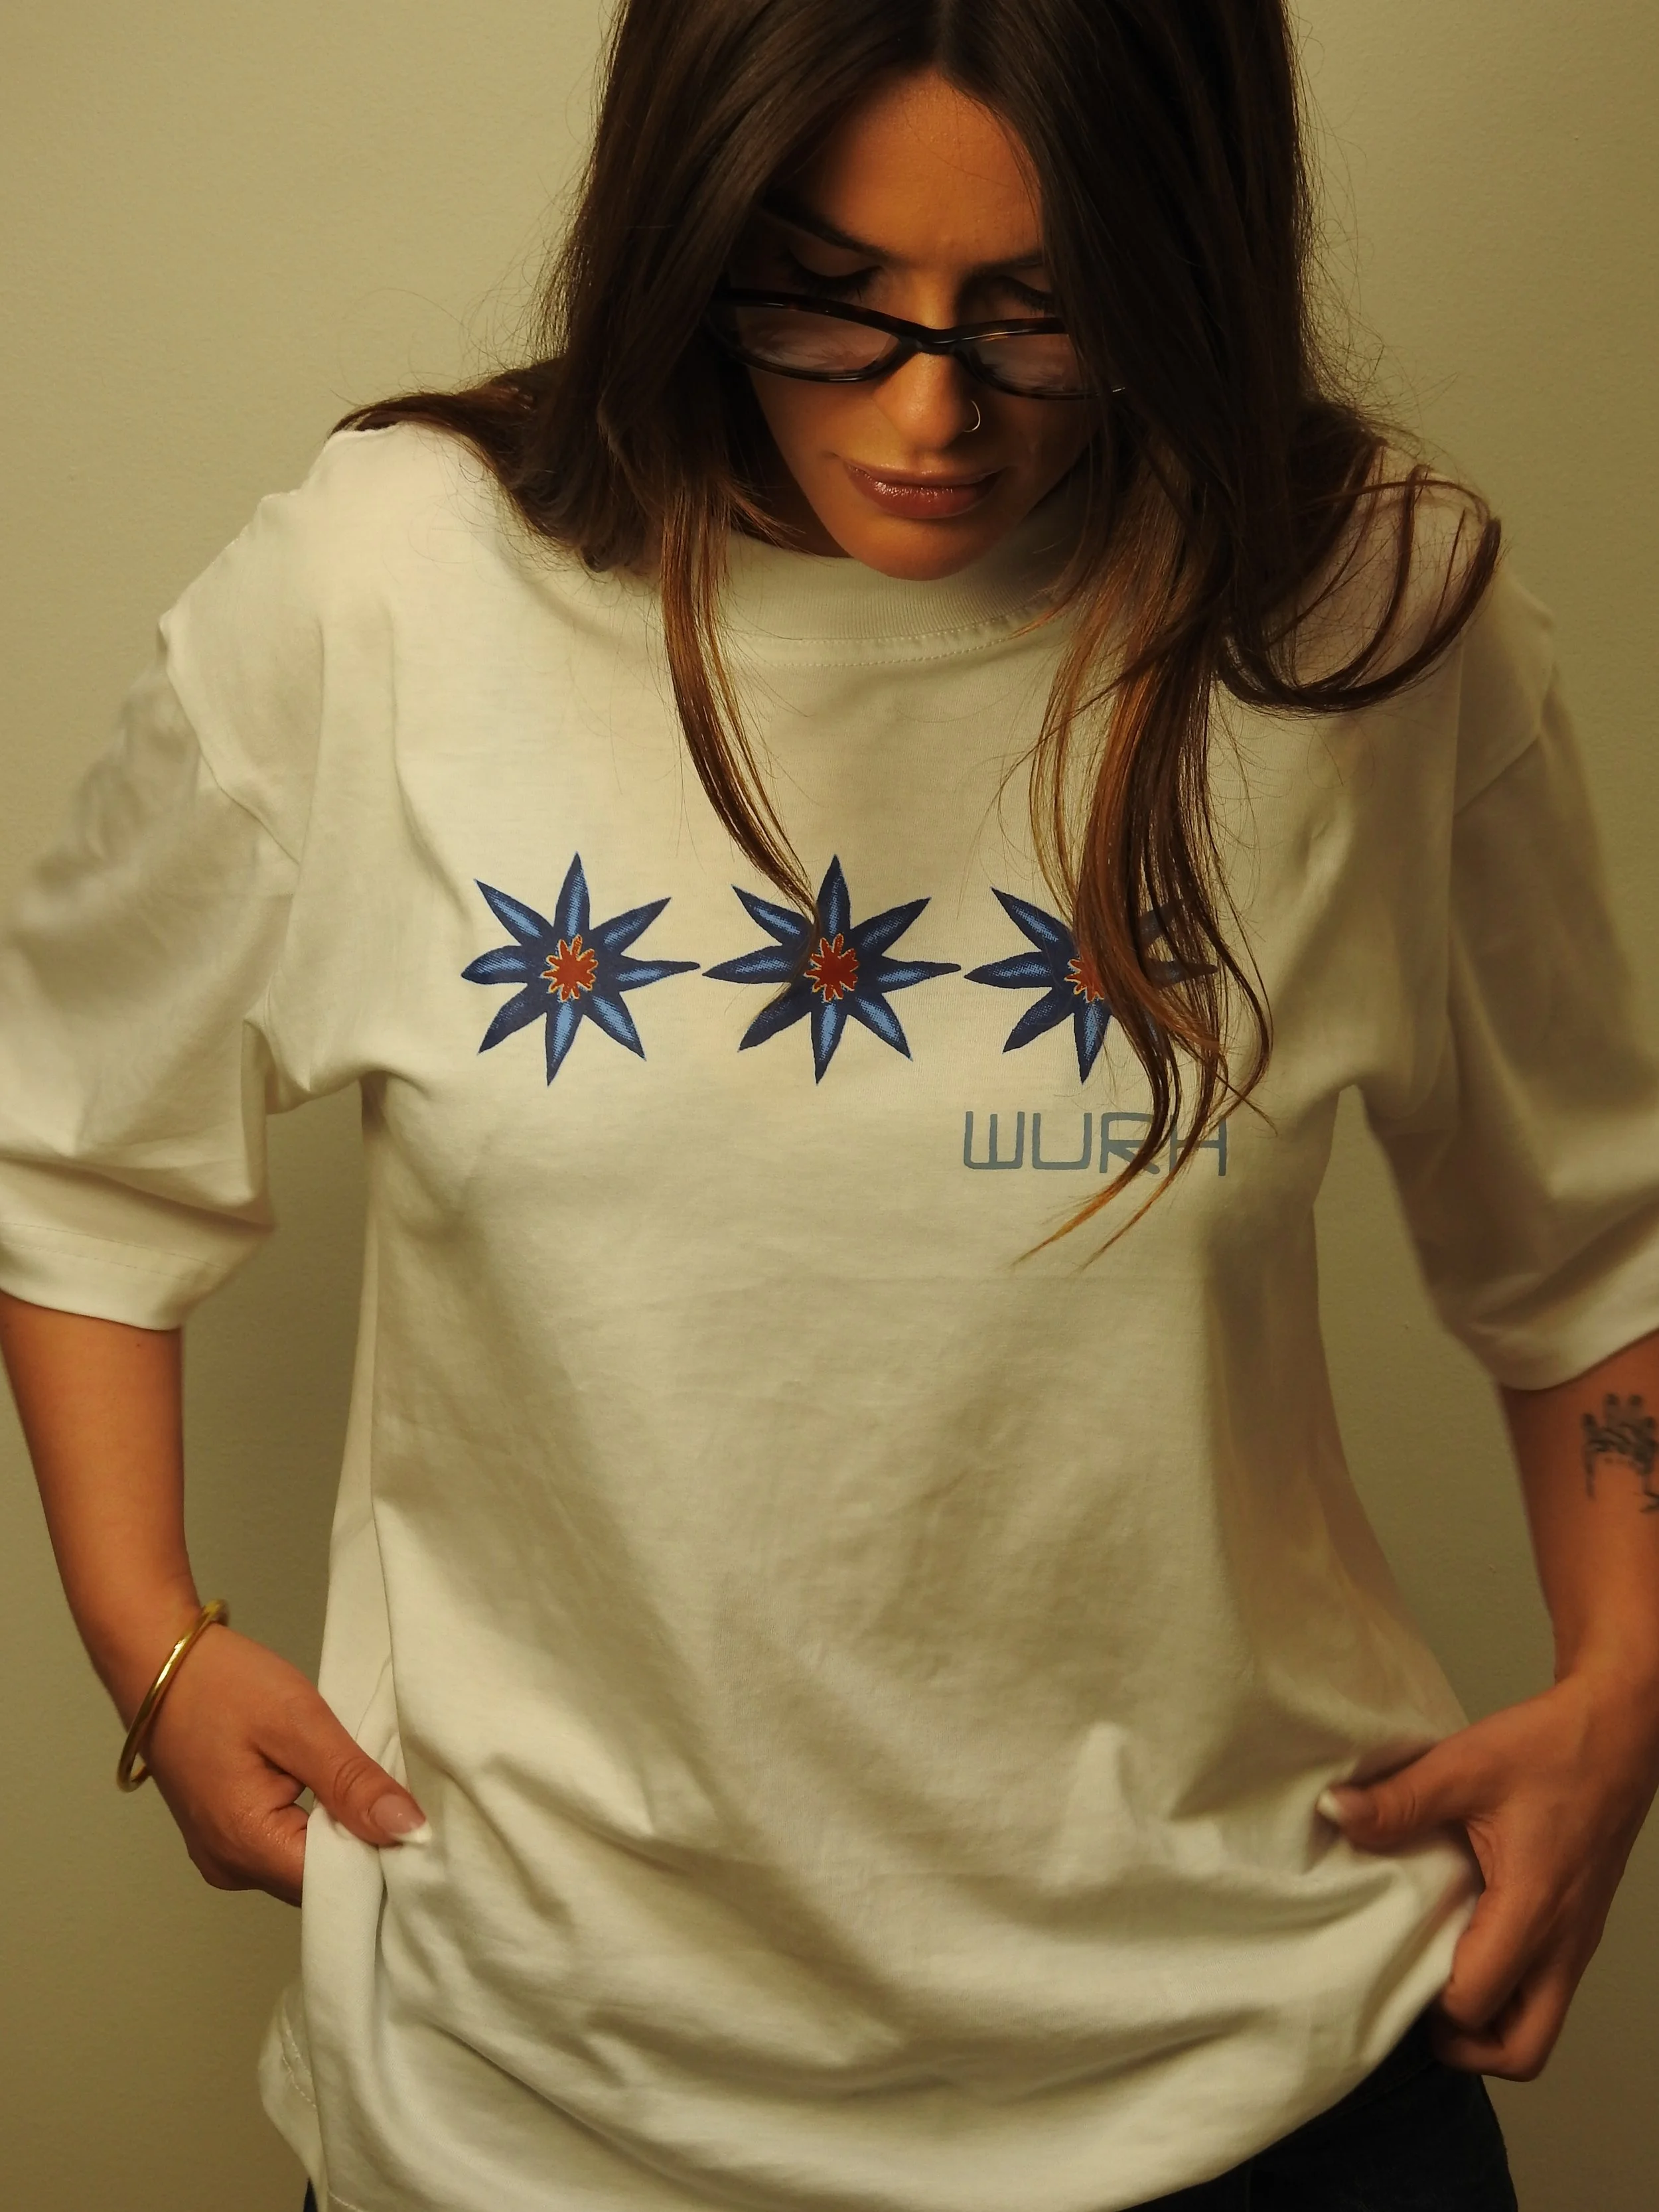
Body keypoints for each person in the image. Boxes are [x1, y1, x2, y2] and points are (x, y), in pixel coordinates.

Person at [3, 1, 1658, 2207]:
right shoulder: (389, 587)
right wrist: (151, 1638)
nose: (928, 411)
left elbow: (1591, 1240)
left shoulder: (1368, 611)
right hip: (535, 2120)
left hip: (1261, 2082)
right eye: (824, 295)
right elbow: (72, 1143)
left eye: (1045, 310)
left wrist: (1626, 1684)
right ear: (687, 231)